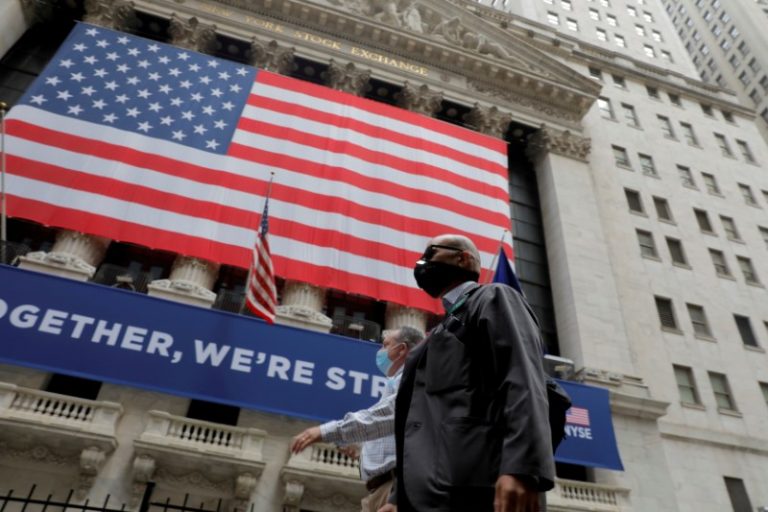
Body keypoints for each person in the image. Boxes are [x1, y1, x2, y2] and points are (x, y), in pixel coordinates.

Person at [379, 234, 555, 512]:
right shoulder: (432, 338)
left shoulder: (494, 297)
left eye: (430, 254)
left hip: (478, 490)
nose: (421, 263)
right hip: (427, 496)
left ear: (463, 258)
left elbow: (523, 378)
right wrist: (398, 497)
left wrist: (522, 466)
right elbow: (421, 421)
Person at [290, 326, 424, 512]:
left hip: (394, 490)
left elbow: (388, 416)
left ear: (401, 349)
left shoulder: (413, 378)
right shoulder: (396, 382)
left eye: (385, 345)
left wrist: (325, 431)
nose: (380, 351)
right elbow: (393, 438)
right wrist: (361, 450)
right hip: (379, 490)